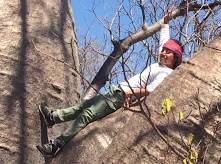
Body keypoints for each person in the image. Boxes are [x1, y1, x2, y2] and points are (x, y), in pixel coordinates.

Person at [36, 12, 183, 157]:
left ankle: (56, 145)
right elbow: (164, 39)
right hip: (117, 90)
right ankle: (53, 118)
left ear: (175, 58)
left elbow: (150, 90)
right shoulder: (160, 64)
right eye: (163, 50)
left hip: (120, 96)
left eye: (168, 52)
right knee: (83, 106)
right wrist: (166, 21)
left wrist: (129, 94)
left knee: (87, 115)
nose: (163, 53)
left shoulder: (166, 73)